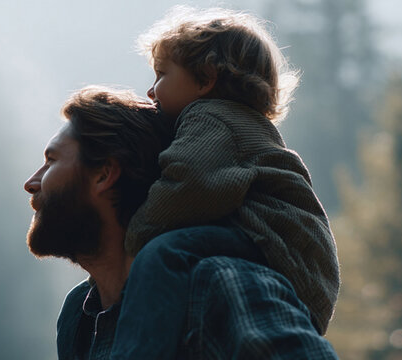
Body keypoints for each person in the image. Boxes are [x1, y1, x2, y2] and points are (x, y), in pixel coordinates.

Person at [24, 86, 338, 359]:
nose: (31, 182)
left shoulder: (220, 286)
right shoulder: (78, 315)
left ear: (104, 174)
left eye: (51, 161)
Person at [111, 7, 341, 359]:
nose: (151, 91)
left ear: (205, 79)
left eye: (161, 75)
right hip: (305, 270)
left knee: (164, 253)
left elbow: (190, 184)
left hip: (277, 246)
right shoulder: (238, 121)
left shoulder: (210, 118)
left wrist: (137, 235)